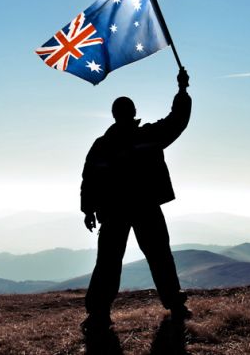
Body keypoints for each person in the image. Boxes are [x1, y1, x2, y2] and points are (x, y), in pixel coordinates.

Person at [80, 68, 192, 335]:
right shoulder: (146, 136)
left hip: (117, 210)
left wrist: (88, 209)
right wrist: (183, 91)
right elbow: (176, 121)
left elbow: (89, 179)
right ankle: (175, 304)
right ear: (131, 112)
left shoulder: (103, 144)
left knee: (111, 262)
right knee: (158, 257)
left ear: (116, 114)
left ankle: (98, 314)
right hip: (143, 206)